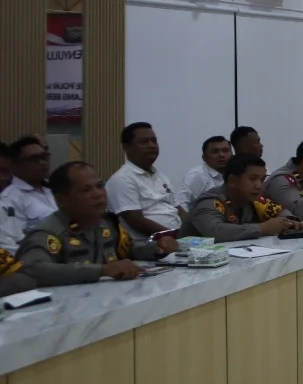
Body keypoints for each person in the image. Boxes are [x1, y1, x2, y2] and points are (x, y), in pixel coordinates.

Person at [17, 162, 176, 285]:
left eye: (100, 186)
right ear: (61, 200)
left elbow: (129, 248)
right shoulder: (48, 233)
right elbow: (31, 268)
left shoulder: (105, 224)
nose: (98, 194)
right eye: (86, 190)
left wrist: (157, 248)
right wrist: (101, 271)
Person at [183, 155, 303, 241]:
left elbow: (278, 210)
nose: (259, 186)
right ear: (232, 180)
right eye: (252, 179)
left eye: (262, 180)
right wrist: (263, 228)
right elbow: (215, 231)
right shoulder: (210, 202)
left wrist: (290, 222)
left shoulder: (252, 199)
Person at [105, 122, 184, 237]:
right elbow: (136, 221)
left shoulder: (160, 176)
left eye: (154, 141)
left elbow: (178, 209)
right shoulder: (122, 179)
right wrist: (174, 236)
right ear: (126, 147)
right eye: (144, 142)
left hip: (177, 239)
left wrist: (191, 230)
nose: (152, 145)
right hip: (150, 244)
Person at [0, 136, 56, 251]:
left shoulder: (57, 189)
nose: (43, 163)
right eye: (34, 159)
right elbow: (9, 246)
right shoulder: (10, 200)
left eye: (44, 157)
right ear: (15, 165)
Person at [182, 135, 234, 203]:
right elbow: (181, 204)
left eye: (225, 151)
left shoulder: (238, 173)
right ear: (204, 158)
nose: (221, 155)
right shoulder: (196, 175)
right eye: (215, 152)